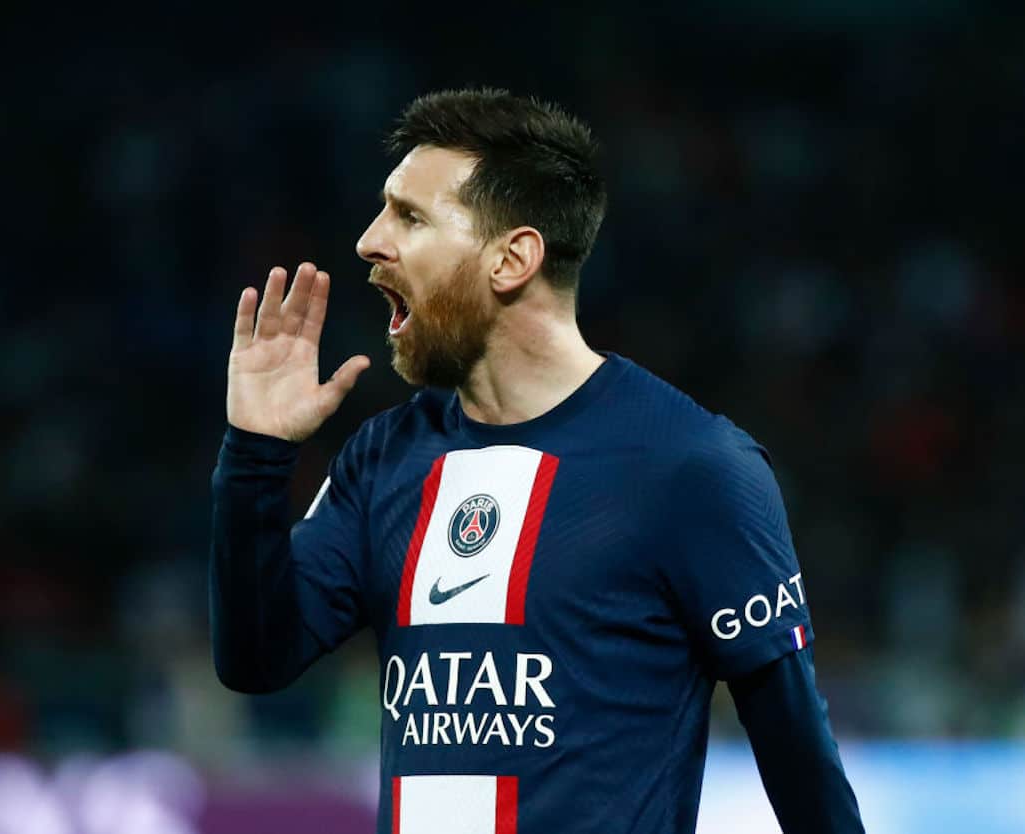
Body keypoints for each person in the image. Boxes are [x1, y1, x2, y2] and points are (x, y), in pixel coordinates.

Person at [210, 88, 864, 834]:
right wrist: (256, 458)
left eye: (410, 216)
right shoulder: (386, 458)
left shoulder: (690, 468)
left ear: (512, 258)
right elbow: (256, 659)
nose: (368, 240)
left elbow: (800, 760)